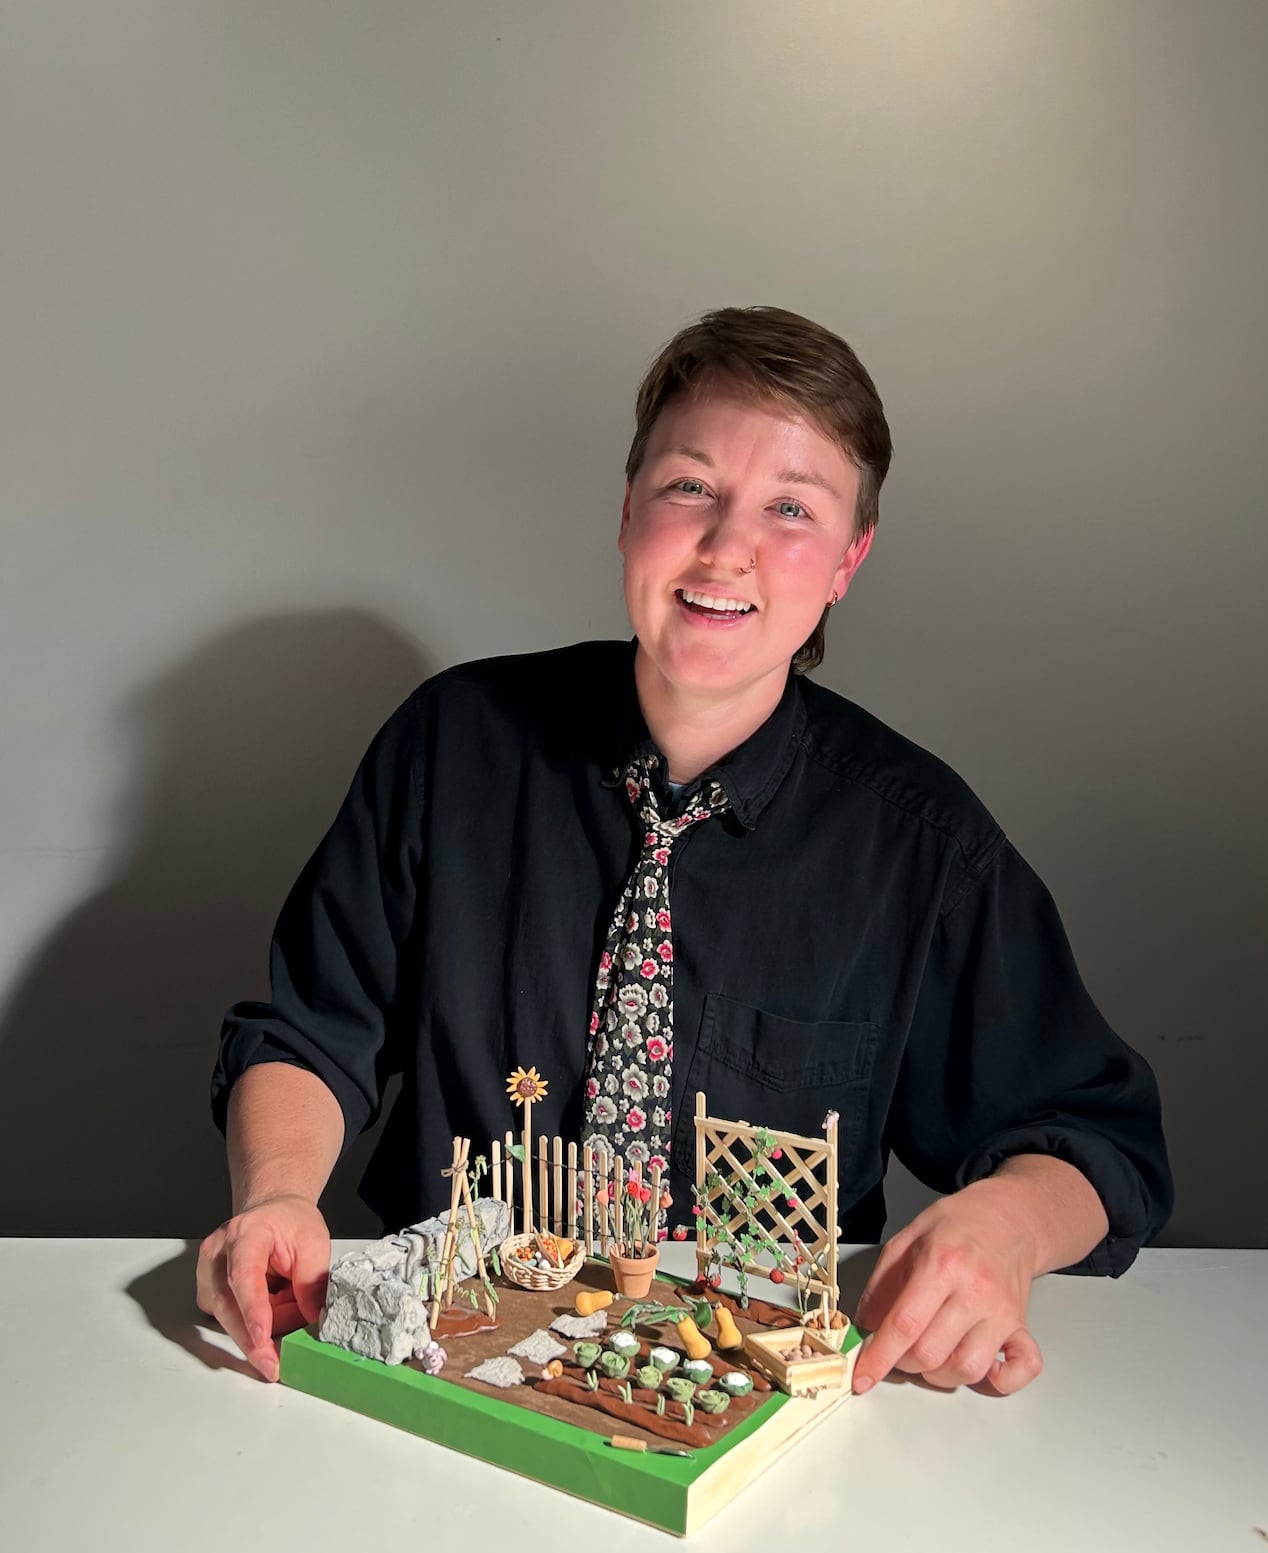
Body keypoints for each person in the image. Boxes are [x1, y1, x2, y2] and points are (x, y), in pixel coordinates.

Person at [199, 306, 1172, 1393]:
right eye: (688, 488)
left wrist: (1002, 1229)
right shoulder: (448, 743)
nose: (726, 546)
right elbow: (306, 1029)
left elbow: (1098, 1141)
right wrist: (278, 1194)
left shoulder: (921, 845)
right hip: (450, 1355)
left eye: (790, 509)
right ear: (627, 511)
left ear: (849, 559)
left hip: (745, 1380)